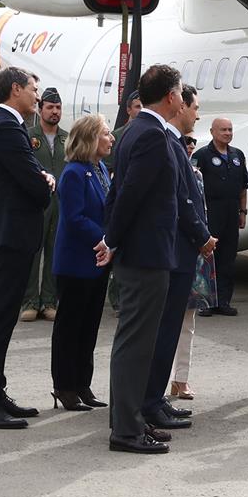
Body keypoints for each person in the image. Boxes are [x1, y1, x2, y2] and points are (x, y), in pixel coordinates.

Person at [100, 65, 185, 454]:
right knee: (136, 345)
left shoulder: (135, 131)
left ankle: (130, 422)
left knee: (132, 343)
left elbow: (119, 193)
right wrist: (113, 241)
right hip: (145, 255)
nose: (184, 100)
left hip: (138, 252)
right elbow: (130, 195)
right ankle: (127, 432)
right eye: (181, 93)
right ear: (169, 96)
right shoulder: (151, 135)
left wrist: (112, 240)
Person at [0, 67, 54, 429]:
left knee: (1, 320)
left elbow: (31, 174)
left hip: (11, 233)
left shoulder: (8, 125)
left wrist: (41, 178)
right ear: (15, 89)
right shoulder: (5, 126)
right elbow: (35, 185)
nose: (37, 96)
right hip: (9, 234)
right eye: (34, 89)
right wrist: (44, 181)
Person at [140, 84, 216, 433]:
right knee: (164, 331)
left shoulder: (171, 142)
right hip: (177, 251)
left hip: (181, 252)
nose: (198, 114)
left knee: (170, 332)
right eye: (195, 107)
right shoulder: (165, 142)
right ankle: (151, 402)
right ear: (179, 105)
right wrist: (202, 236)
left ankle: (156, 399)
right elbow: (180, 200)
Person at [49, 113, 114, 412]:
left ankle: (83, 384)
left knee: (89, 326)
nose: (111, 139)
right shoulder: (74, 172)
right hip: (77, 261)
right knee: (70, 327)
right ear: (89, 138)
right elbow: (75, 218)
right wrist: (103, 239)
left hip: (98, 261)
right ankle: (64, 386)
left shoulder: (100, 168)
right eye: (105, 134)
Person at [192, 117, 248, 316]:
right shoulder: (201, 155)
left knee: (228, 257)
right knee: (207, 256)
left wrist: (243, 212)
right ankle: (205, 302)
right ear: (212, 132)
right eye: (223, 129)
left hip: (231, 212)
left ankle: (223, 300)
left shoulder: (238, 156)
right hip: (210, 212)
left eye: (230, 129)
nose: (227, 133)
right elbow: (193, 187)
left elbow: (243, 187)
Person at [23, 87, 68, 322]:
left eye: (58, 108)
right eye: (50, 107)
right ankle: (29, 301)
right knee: (33, 252)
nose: (54, 112)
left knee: (55, 252)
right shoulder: (27, 135)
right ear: (41, 110)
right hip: (36, 203)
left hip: (61, 203)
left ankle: (49, 301)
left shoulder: (67, 138)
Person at [171, 133, 207, 400]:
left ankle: (181, 379)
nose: (190, 148)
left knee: (187, 322)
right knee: (164, 324)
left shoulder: (197, 174)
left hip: (194, 253)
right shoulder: (175, 172)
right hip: (172, 253)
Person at [106, 90, 141, 315]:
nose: (139, 110)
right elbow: (108, 170)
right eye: (136, 106)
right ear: (128, 109)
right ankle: (116, 297)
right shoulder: (117, 136)